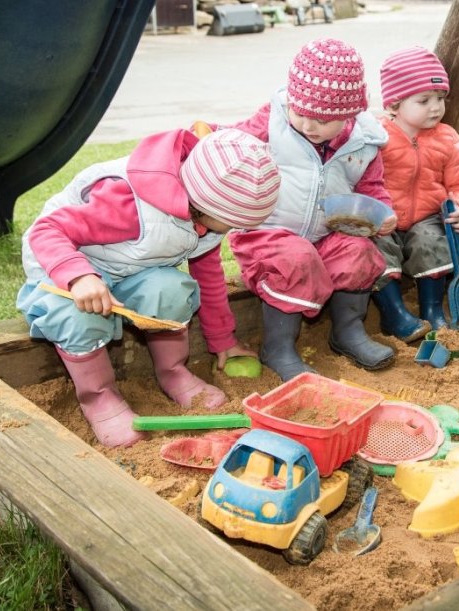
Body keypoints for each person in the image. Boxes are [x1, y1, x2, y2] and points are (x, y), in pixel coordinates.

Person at [16, 127, 281, 447]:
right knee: (78, 317)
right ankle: (99, 397)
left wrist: (223, 340)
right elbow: (47, 231)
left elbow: (208, 275)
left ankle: (173, 371)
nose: (235, 228)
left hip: (128, 267)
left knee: (171, 289)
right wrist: (78, 276)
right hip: (66, 266)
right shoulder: (127, 204)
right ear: (204, 204)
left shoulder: (205, 212)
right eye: (233, 221)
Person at [225, 37, 397, 381]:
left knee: (359, 251)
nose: (307, 125)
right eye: (299, 113)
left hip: (325, 233)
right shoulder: (270, 122)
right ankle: (278, 347)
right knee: (296, 258)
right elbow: (234, 146)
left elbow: (370, 186)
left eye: (321, 120)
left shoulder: (364, 142)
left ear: (348, 115)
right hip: (266, 233)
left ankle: (347, 332)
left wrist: (381, 212)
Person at [372, 46, 459, 339]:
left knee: (431, 241)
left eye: (440, 98)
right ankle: (394, 314)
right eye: (424, 100)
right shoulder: (377, 137)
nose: (435, 107)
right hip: (386, 220)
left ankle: (432, 310)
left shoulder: (446, 138)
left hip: (427, 218)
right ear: (394, 104)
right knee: (376, 250)